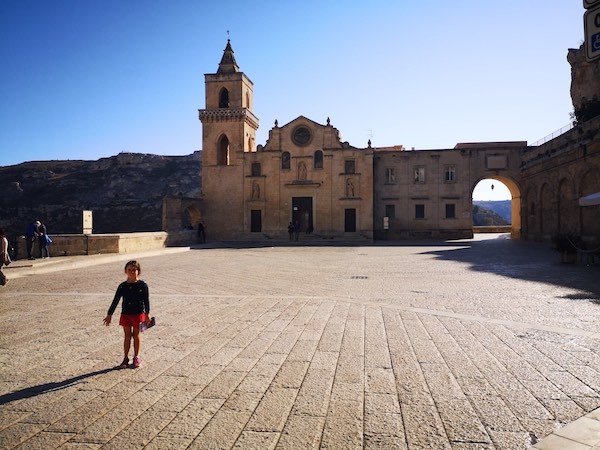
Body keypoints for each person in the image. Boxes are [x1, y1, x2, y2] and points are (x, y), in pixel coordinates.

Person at [103, 260, 151, 368]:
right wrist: (109, 314)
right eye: (129, 270)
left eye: (134, 270)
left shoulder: (143, 285)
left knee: (137, 335)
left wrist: (147, 313)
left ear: (138, 271)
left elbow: (146, 300)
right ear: (125, 271)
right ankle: (125, 358)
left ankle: (136, 357)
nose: (132, 272)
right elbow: (115, 300)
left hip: (138, 314)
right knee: (127, 336)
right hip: (126, 314)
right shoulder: (122, 286)